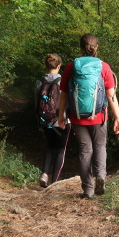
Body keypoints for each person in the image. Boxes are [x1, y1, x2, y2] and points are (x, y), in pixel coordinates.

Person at [57, 34, 119, 199]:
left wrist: (61, 116)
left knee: (85, 151)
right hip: (99, 116)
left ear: (80, 48)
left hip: (78, 117)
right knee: (100, 146)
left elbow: (64, 93)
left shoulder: (71, 67)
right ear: (96, 48)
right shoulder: (104, 67)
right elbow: (111, 96)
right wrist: (118, 117)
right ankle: (100, 175)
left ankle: (88, 189)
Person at [34, 53, 70, 187]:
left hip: (45, 121)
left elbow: (36, 103)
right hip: (62, 120)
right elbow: (68, 102)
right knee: (60, 150)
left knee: (49, 147)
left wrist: (39, 121)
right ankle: (54, 182)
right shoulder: (63, 81)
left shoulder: (39, 82)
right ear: (59, 66)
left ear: (46, 65)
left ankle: (44, 174)